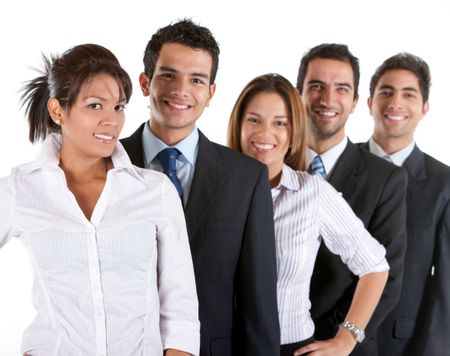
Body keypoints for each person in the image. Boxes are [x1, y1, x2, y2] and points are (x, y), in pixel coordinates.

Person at [0, 43, 199, 356]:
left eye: (118, 107)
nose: (112, 121)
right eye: (95, 106)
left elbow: (181, 310)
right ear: (57, 110)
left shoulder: (155, 192)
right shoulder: (20, 190)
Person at [120, 20, 280, 356]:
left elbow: (259, 305)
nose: (181, 90)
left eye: (196, 80)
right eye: (168, 75)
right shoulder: (105, 164)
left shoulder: (246, 179)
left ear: (211, 92)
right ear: (145, 82)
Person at [227, 73, 389, 356]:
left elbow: (375, 266)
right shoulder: (216, 189)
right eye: (254, 120)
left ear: (294, 132)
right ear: (238, 125)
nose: (265, 133)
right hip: (223, 344)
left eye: (280, 123)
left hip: (289, 346)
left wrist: (346, 339)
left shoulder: (312, 193)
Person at [295, 43, 408, 355]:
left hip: (343, 347)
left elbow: (389, 275)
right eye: (316, 86)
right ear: (298, 92)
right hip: (269, 339)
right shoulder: (272, 164)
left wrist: (342, 338)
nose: (328, 99)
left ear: (356, 100)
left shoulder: (386, 179)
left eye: (341, 88)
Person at [363, 52, 450, 356]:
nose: (395, 103)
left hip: (403, 344)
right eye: (386, 92)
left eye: (408, 94)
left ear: (424, 108)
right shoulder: (339, 164)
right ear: (370, 102)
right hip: (331, 337)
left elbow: (446, 287)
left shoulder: (444, 184)